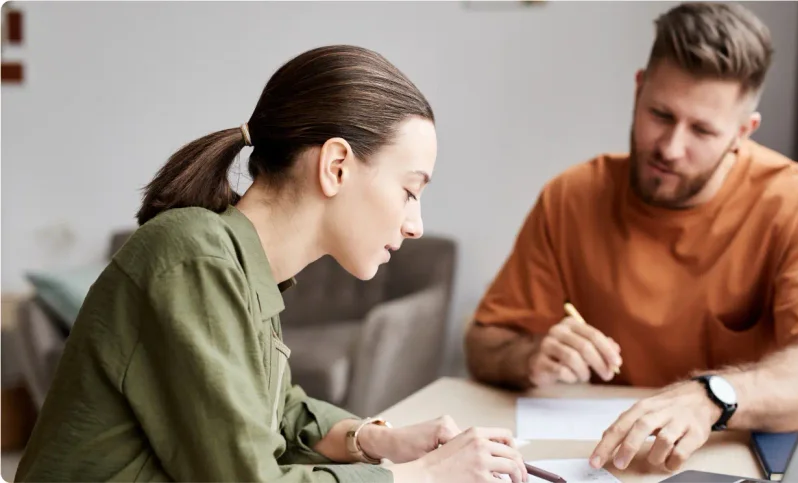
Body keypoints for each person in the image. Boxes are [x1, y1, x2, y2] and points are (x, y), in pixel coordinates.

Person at [15, 45, 528, 483]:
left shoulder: (245, 268)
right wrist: (420, 475)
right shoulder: (193, 257)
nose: (415, 224)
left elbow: (278, 411)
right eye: (410, 191)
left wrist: (377, 442)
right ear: (336, 166)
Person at [464, 1, 798, 475]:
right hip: (606, 461)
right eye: (660, 114)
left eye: (701, 130)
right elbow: (482, 345)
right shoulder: (571, 197)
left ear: (742, 133)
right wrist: (529, 356)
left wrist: (712, 396)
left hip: (733, 463)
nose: (671, 148)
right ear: (638, 91)